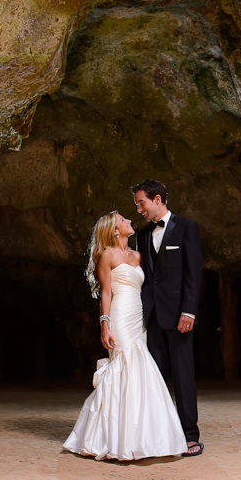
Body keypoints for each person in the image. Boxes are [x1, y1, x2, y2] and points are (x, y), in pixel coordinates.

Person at [63, 212, 187, 461]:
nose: (129, 220)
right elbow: (106, 293)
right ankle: (112, 438)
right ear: (114, 230)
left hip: (138, 318)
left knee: (141, 371)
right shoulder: (108, 255)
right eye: (123, 220)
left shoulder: (138, 255)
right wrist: (104, 325)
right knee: (124, 366)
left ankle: (142, 437)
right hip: (119, 316)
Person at [132, 179, 204, 457]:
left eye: (142, 203)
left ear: (158, 199)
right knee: (156, 379)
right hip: (150, 318)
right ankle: (160, 436)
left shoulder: (187, 228)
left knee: (183, 377)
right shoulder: (141, 235)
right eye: (137, 204)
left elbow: (193, 273)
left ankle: (189, 435)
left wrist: (189, 311)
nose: (139, 209)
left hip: (179, 317)